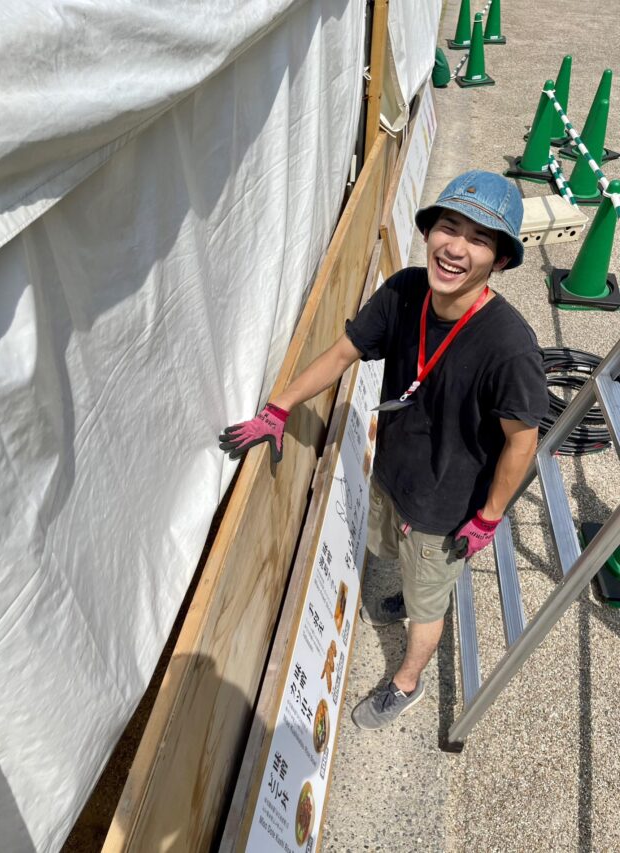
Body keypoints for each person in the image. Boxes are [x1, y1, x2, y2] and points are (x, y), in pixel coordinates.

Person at [219, 170, 548, 730]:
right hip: (394, 470)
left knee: (427, 604)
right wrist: (278, 408)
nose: (456, 248)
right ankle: (413, 593)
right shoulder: (404, 291)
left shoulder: (510, 347)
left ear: (499, 261)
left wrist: (489, 518)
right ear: (429, 232)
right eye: (449, 227)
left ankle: (408, 681)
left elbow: (523, 441)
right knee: (395, 554)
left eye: (478, 239)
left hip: (446, 507)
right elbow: (342, 353)